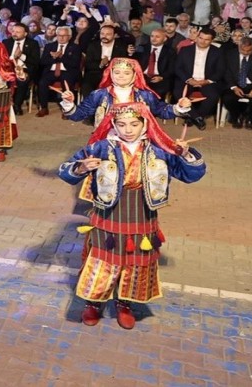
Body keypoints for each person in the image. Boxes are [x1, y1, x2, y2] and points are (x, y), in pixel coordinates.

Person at [57, 101, 206, 329]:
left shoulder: (159, 149)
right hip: (109, 215)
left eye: (134, 124)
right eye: (122, 124)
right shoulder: (100, 147)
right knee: (103, 261)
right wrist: (81, 168)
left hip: (142, 215)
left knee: (136, 263)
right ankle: (94, 303)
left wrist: (186, 154)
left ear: (145, 123)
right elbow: (66, 171)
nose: (128, 129)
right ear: (114, 125)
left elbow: (191, 175)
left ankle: (124, 303)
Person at [61, 57, 194, 126]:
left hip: (137, 141)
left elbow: (162, 111)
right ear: (110, 74)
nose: (121, 76)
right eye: (117, 72)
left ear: (135, 75)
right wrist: (69, 104)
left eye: (126, 73)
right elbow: (79, 115)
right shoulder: (99, 95)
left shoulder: (145, 95)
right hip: (106, 140)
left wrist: (179, 107)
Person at [173, 27, 224, 130]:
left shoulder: (218, 52)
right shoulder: (185, 50)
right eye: (200, 38)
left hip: (207, 81)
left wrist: (207, 81)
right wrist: (188, 79)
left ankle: (193, 117)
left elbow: (220, 71)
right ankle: (197, 118)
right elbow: (177, 68)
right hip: (188, 80)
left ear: (212, 40)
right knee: (178, 93)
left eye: (206, 39)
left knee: (213, 96)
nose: (202, 41)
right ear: (197, 37)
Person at [219, 37, 252, 129]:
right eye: (243, 50)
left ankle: (251, 119)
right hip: (235, 84)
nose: (245, 53)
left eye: (249, 51)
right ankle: (236, 117)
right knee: (228, 99)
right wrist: (234, 87)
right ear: (239, 45)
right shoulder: (229, 54)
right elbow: (226, 72)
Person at [36, 25, 83, 117]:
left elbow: (75, 64)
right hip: (51, 71)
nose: (61, 38)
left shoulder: (75, 47)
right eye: (59, 35)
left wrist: (61, 56)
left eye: (64, 36)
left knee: (67, 84)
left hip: (67, 71)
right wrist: (54, 58)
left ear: (69, 37)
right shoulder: (49, 46)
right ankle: (44, 108)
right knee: (42, 83)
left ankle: (67, 109)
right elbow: (43, 62)